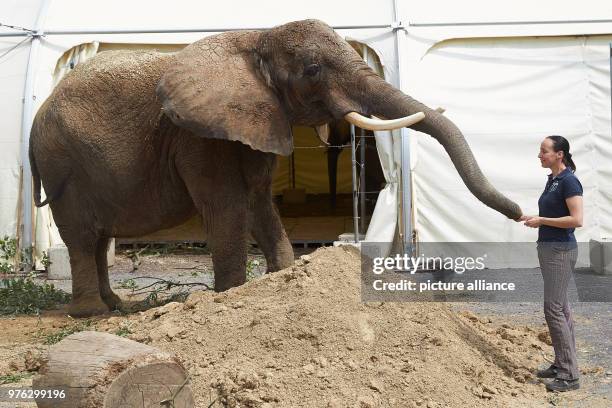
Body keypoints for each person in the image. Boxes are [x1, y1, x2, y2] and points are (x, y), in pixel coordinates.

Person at [519, 135, 583, 392]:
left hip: (560, 251)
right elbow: (553, 214)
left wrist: (542, 220)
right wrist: (535, 218)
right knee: (562, 308)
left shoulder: (569, 181)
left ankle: (569, 375)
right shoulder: (553, 180)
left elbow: (577, 219)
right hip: (549, 248)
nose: (539, 155)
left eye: (544, 151)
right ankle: (562, 364)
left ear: (560, 154)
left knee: (553, 309)